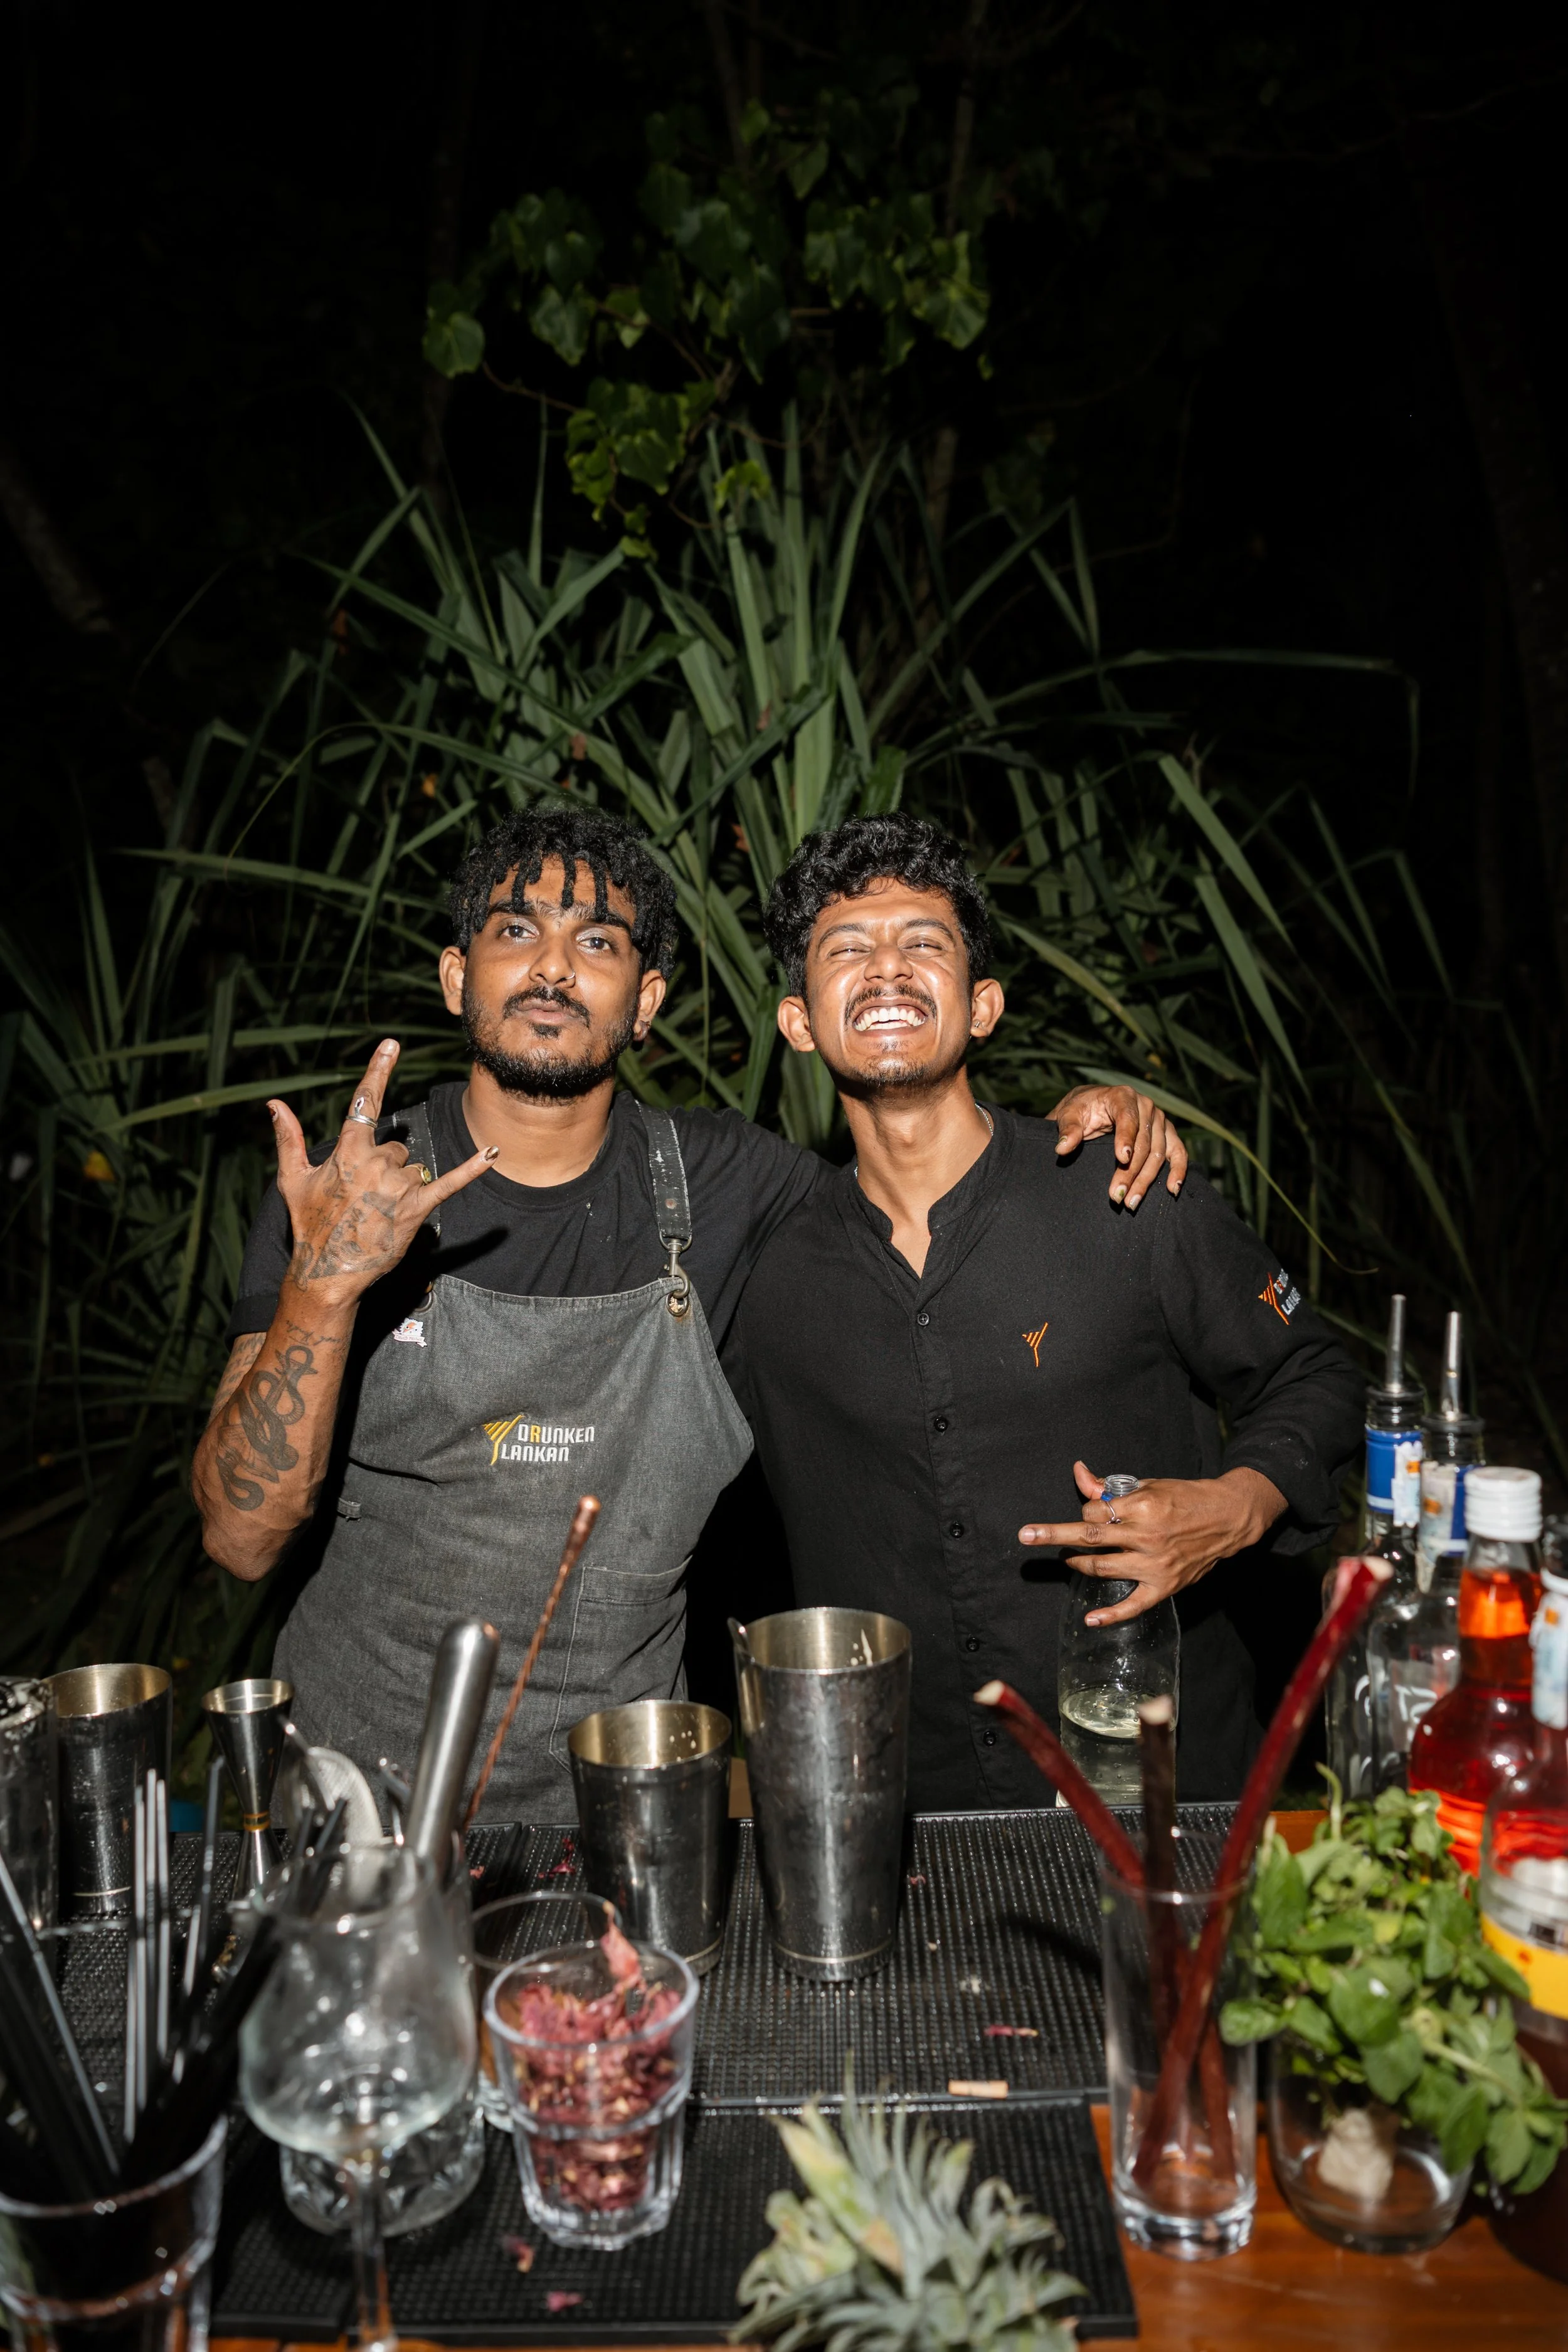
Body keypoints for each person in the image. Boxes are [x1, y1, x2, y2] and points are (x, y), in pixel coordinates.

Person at [192, 804, 1184, 1820]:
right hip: (347, 1801)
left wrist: (1077, 1130)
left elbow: (922, 1182)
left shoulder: (730, 1189)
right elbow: (240, 1538)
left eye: (598, 942)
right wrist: (321, 1288)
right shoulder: (345, 1192)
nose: (554, 968)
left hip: (631, 1803)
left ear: (645, 1000)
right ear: (458, 977)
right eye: (517, 930)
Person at [729, 812, 1362, 1805]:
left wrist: (1236, 1506)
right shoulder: (764, 1276)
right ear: (799, 1022)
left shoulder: (1122, 1192)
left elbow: (1317, 1374)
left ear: (983, 1005)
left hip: (1168, 1794)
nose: (887, 968)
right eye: (846, 949)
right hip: (912, 1828)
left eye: (923, 944)